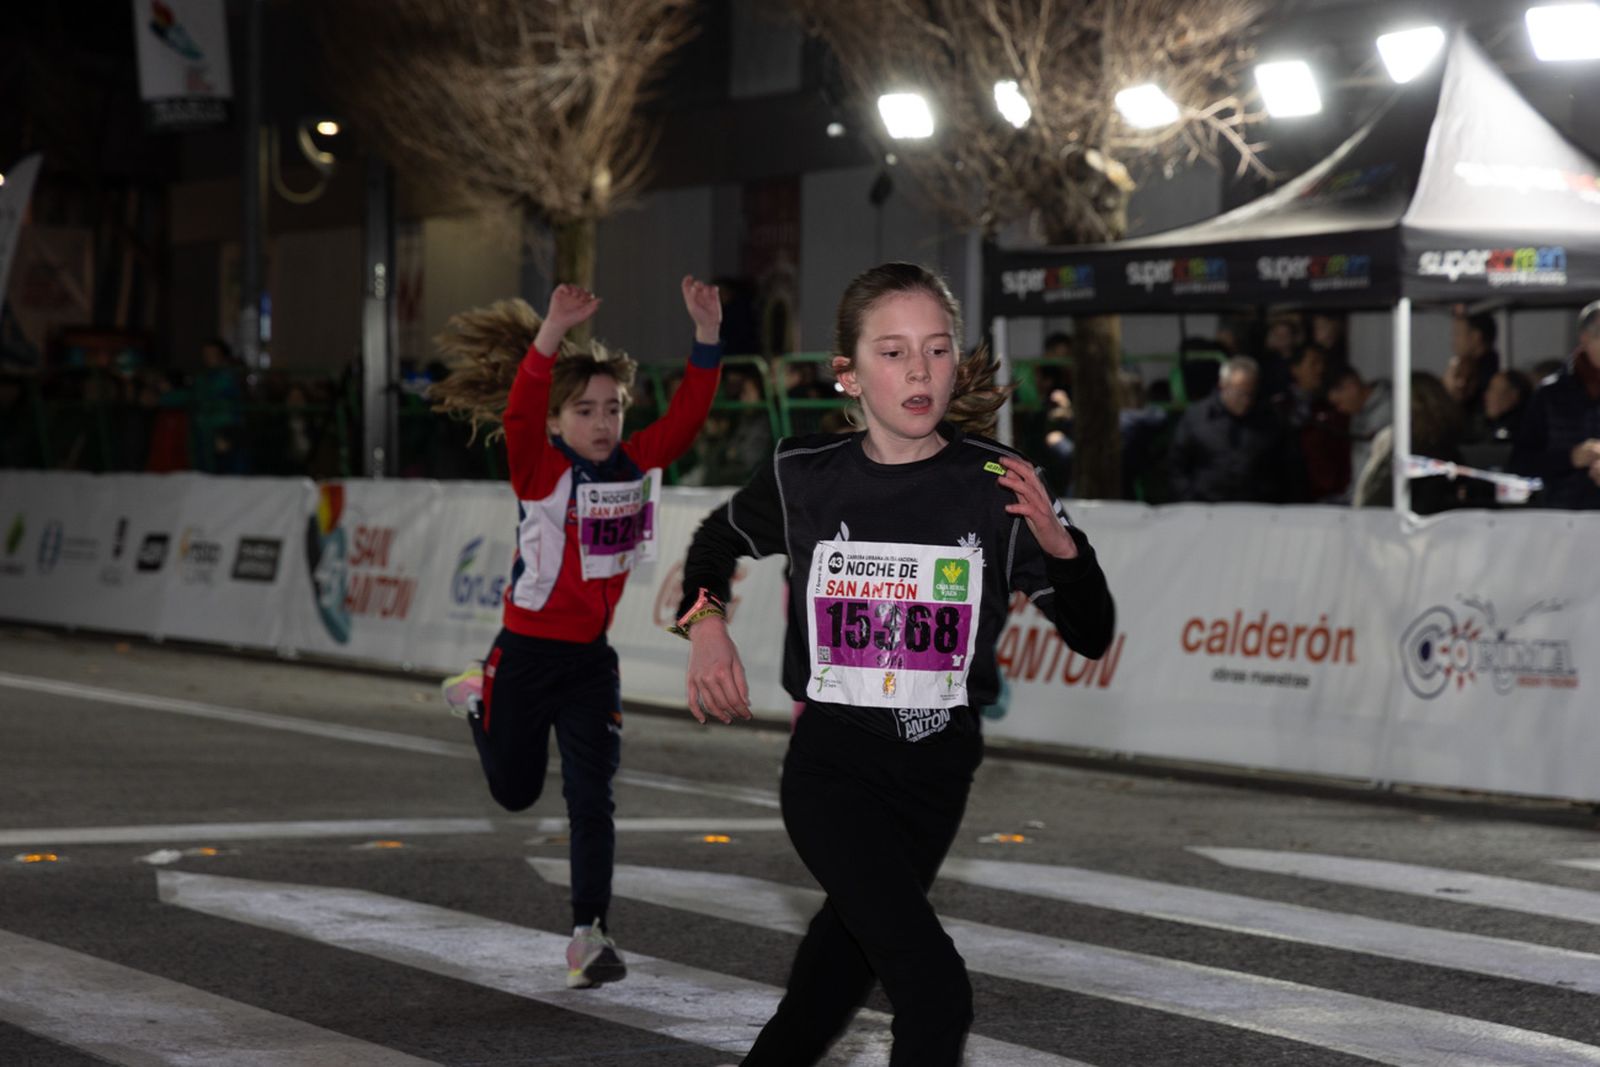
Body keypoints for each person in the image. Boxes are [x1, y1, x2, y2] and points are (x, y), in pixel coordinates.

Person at [674, 262, 1115, 1067]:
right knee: (936, 992)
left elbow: (1091, 633)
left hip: (937, 776)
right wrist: (706, 625)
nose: (920, 370)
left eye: (937, 350)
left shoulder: (1000, 483)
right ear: (848, 373)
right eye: (893, 351)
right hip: (833, 772)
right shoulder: (804, 473)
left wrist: (1064, 551)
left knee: (825, 989)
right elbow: (714, 540)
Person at [431, 277, 724, 988]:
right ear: (558, 421)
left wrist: (707, 336)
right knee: (515, 793)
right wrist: (552, 332)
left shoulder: (635, 465)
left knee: (593, 799)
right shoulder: (539, 468)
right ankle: (477, 696)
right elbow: (521, 406)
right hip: (524, 656)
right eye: (585, 410)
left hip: (591, 664)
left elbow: (688, 417)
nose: (602, 422)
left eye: (613, 408)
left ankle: (589, 935)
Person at [1168, 356, 1296, 503]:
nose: (1246, 400)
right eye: (1240, 393)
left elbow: (1287, 466)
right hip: (1206, 506)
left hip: (1258, 507)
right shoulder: (1196, 417)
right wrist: (1190, 501)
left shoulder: (1270, 419)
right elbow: (1176, 465)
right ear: (1223, 385)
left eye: (1251, 394)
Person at [1510, 300, 1600, 509]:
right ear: (1585, 338)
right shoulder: (1550, 394)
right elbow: (1520, 463)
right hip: (1562, 514)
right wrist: (1570, 458)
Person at [1327, 367, 1393, 503]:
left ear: (1351, 387)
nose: (1339, 409)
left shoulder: (1390, 409)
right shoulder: (1357, 414)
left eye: (1338, 403)